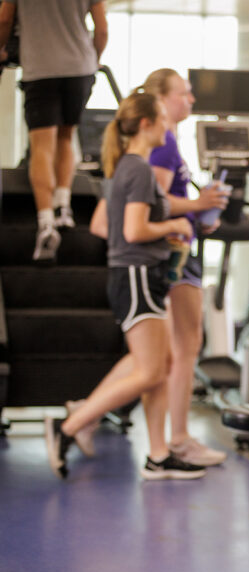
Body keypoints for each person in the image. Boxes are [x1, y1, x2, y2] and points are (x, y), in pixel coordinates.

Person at [44, 91, 205, 481]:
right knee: (151, 372)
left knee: (161, 366)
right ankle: (69, 425)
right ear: (147, 124)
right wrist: (175, 226)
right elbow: (134, 230)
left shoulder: (129, 167)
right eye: (163, 119)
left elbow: (119, 228)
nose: (169, 126)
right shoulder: (138, 169)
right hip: (135, 276)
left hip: (139, 274)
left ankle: (158, 454)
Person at [86, 69, 230, 466]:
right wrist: (194, 210)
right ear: (158, 104)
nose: (191, 101)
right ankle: (174, 438)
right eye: (184, 94)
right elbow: (152, 203)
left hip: (168, 253)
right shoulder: (159, 148)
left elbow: (135, 207)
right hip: (166, 259)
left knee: (157, 356)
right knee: (178, 352)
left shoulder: (155, 149)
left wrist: (200, 214)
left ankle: (86, 414)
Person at [0, 0, 108, 261]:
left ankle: (46, 220)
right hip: (79, 66)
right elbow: (102, 29)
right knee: (66, 138)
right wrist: (93, 59)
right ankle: (63, 205)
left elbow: (4, 19)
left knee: (42, 146)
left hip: (41, 66)